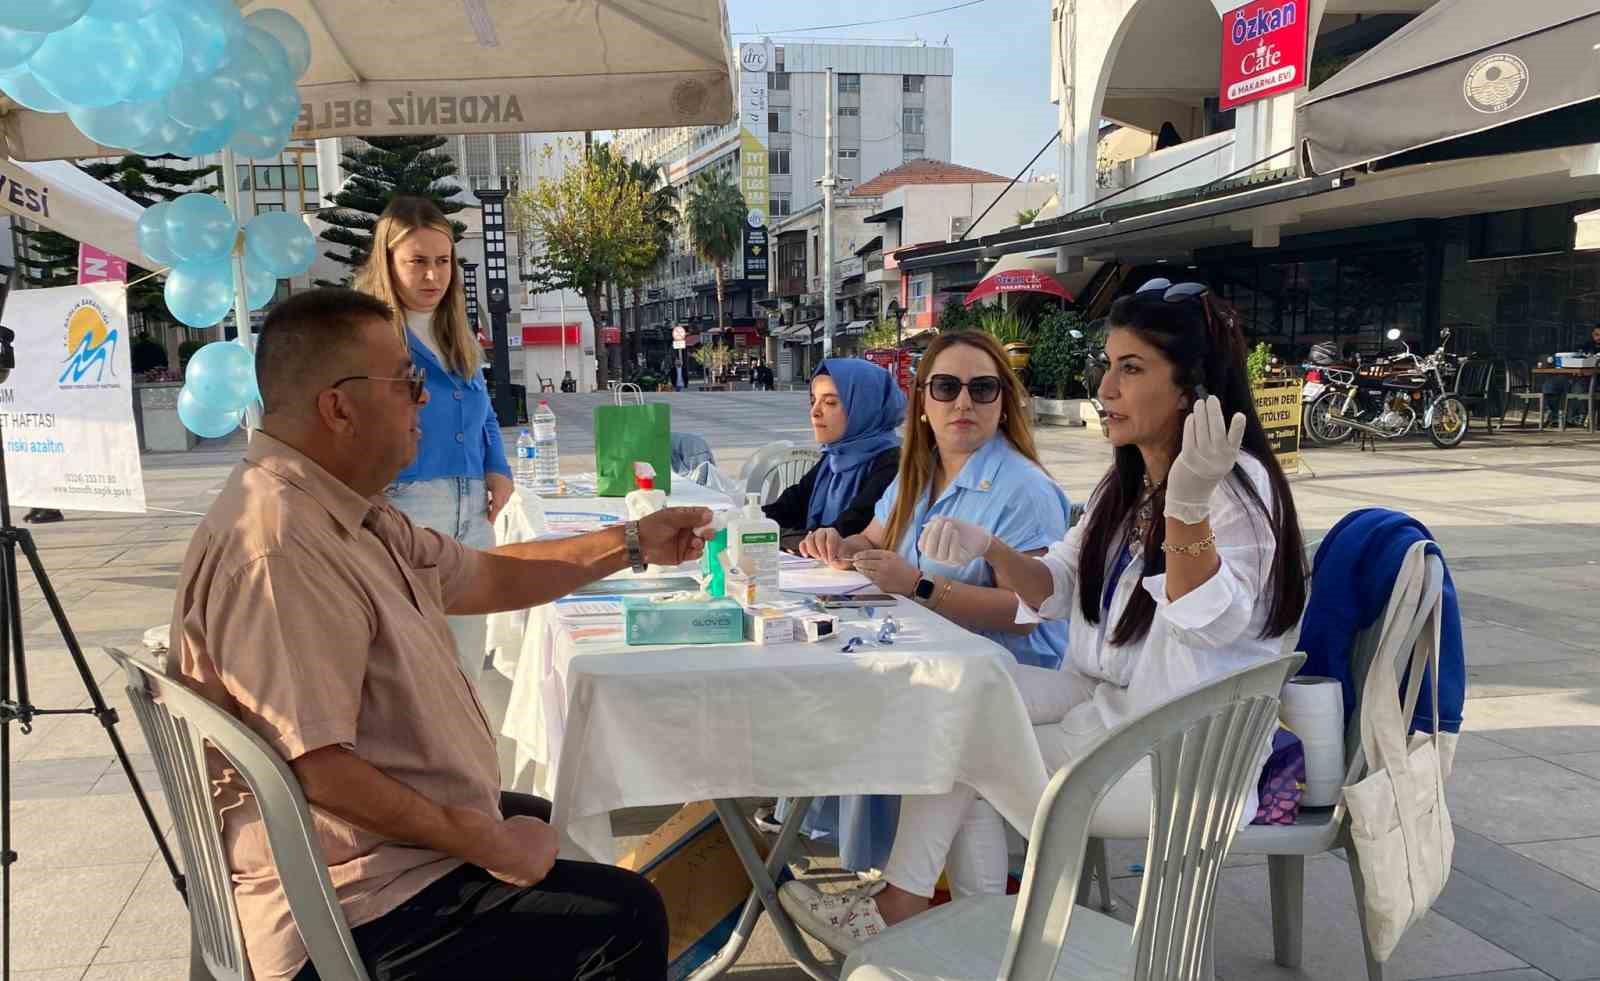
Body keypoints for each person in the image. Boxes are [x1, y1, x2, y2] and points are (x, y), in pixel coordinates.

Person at [169, 288, 712, 981]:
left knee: (551, 821)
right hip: (349, 905)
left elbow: (484, 576)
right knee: (625, 917)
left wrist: (632, 541)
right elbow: (318, 767)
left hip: (374, 856)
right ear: (337, 406)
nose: (422, 400)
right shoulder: (281, 546)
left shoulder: (343, 508)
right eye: (407, 381)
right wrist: (483, 837)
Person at [779, 281, 1307, 951]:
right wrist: (990, 547)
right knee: (957, 699)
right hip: (1112, 703)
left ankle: (925, 914)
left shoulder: (1239, 490)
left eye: (1131, 368)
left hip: (1180, 754)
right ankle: (948, 922)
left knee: (963, 738)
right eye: (1107, 366)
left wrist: (1190, 507)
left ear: (1190, 389)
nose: (1105, 388)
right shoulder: (1126, 482)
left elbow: (1210, 622)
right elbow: (1055, 582)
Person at [798, 331, 1072, 672]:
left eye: (982, 388)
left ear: (1003, 403)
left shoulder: (1025, 489)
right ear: (923, 402)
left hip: (1002, 678)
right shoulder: (918, 472)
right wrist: (841, 548)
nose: (963, 403)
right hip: (922, 654)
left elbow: (1025, 613)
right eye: (946, 387)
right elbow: (871, 538)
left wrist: (918, 586)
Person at [355, 196, 512, 682]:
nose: (432, 276)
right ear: (388, 262)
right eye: (417, 262)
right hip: (408, 504)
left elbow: (481, 406)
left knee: (467, 665)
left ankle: (463, 755)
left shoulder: (455, 330)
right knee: (414, 667)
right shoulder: (370, 334)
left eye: (442, 262)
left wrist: (498, 467)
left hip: (473, 510)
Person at [763, 358, 903, 552]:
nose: (814, 412)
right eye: (813, 400)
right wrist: (745, 521)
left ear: (863, 407)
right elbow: (789, 505)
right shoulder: (833, 457)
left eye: (830, 402)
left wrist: (774, 535)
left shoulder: (892, 465)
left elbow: (842, 533)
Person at [1542, 324, 1600, 427]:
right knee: (1551, 384)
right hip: (1574, 375)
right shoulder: (1587, 345)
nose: (1598, 337)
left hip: (1594, 380)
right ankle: (1553, 416)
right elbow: (1578, 354)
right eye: (1596, 334)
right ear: (1592, 334)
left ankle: (1575, 418)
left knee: (1578, 387)